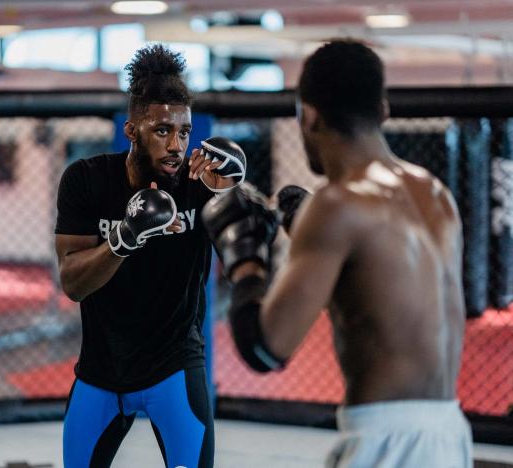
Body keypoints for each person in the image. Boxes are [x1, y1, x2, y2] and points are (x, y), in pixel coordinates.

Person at [202, 39, 473, 468]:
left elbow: (265, 348)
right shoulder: (435, 193)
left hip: (387, 443)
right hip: (451, 433)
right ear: (382, 110)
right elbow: (379, 295)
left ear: (307, 117)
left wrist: (244, 252)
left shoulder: (337, 206)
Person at [55, 44, 246, 468]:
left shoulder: (202, 183)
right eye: (162, 130)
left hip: (174, 369)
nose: (177, 145)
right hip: (101, 373)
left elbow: (251, 250)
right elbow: (72, 282)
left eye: (184, 131)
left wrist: (237, 192)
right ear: (131, 129)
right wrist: (127, 236)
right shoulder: (86, 181)